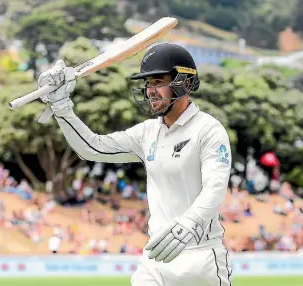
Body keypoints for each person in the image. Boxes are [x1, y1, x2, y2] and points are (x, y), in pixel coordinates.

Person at [37, 43, 232, 285]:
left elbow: (216, 187)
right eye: (148, 84)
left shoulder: (208, 130)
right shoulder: (148, 132)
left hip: (200, 257)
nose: (150, 90)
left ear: (185, 83)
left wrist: (189, 224)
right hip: (156, 257)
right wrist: (62, 108)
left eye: (158, 82)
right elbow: (93, 147)